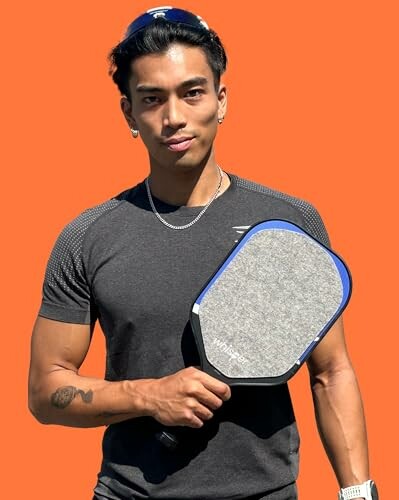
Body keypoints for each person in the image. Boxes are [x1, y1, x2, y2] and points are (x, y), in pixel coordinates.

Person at [28, 6, 377, 500]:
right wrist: (147, 395)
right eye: (152, 99)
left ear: (221, 98)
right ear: (128, 111)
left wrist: (358, 493)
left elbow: (331, 372)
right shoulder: (86, 237)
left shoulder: (290, 224)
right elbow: (45, 393)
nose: (174, 118)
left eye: (192, 92)